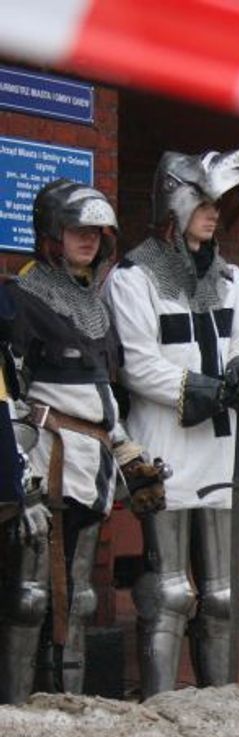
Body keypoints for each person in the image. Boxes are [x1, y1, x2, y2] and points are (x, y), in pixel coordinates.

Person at [105, 151, 239, 697]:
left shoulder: (231, 278)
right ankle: (159, 709)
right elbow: (137, 360)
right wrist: (204, 389)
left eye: (216, 203)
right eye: (203, 202)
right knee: (171, 590)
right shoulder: (132, 277)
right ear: (174, 204)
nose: (214, 212)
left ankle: (219, 707)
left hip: (222, 451)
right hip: (164, 446)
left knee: (222, 595)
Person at [0, 180, 165, 703]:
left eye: (96, 231)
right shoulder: (18, 300)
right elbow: (10, 395)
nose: (89, 240)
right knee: (29, 597)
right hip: (45, 462)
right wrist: (20, 481)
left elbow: (103, 394)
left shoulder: (96, 306)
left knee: (81, 598)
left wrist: (127, 451)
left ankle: (68, 710)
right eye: (77, 230)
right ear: (51, 234)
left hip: (91, 466)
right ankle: (16, 716)